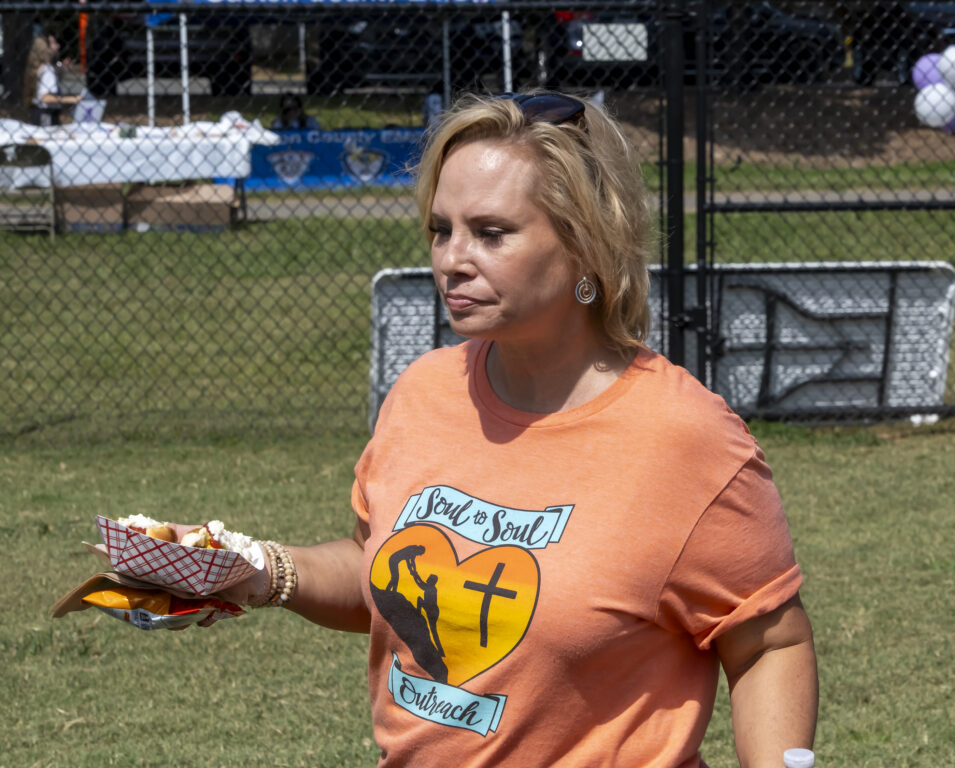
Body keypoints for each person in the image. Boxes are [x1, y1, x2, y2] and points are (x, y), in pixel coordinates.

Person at [184, 90, 818, 767]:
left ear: (586, 246)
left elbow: (768, 642)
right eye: (441, 229)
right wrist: (261, 569)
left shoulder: (687, 439)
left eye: (490, 233)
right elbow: (379, 573)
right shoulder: (424, 391)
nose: (451, 259)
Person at [23, 33, 81, 127]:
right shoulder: (47, 69)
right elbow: (45, 98)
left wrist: (62, 70)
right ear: (45, 48)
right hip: (46, 115)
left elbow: (48, 85)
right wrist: (72, 99)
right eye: (54, 43)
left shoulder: (40, 68)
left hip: (38, 112)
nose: (58, 46)